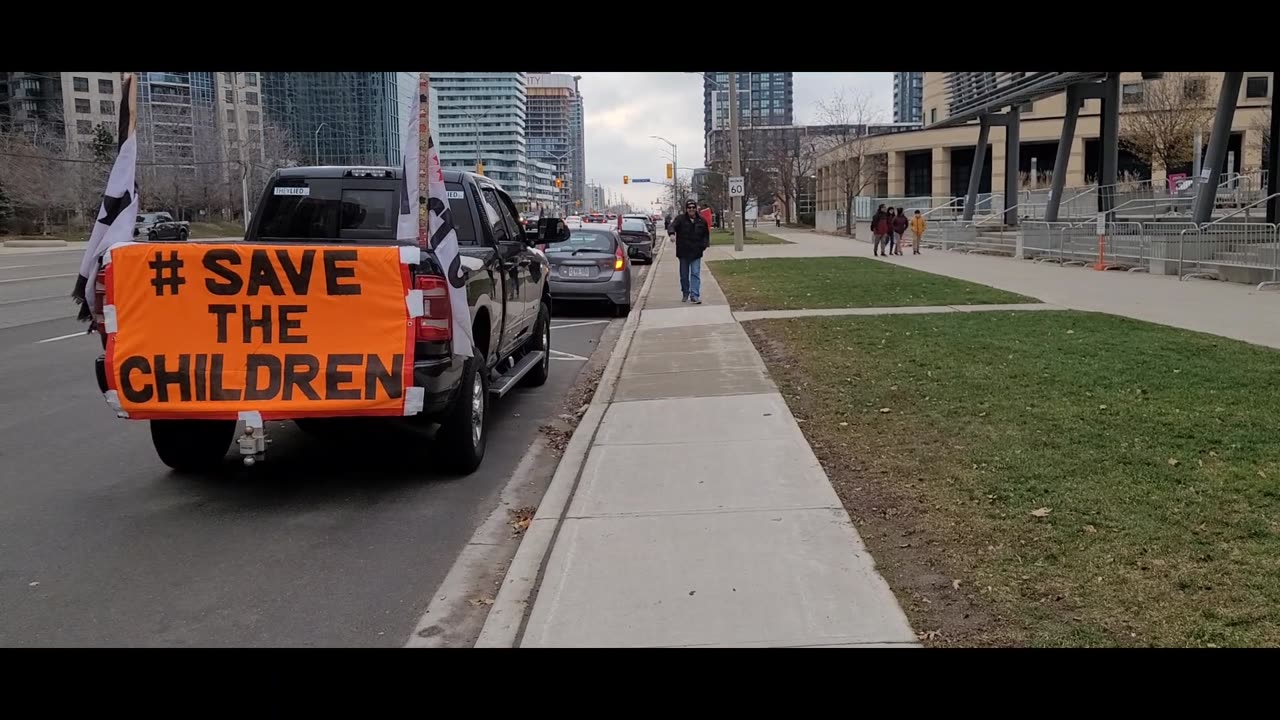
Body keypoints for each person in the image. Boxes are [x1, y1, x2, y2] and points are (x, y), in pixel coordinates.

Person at [670, 199, 710, 303]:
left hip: (696, 252)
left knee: (695, 273)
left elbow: (706, 235)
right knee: (684, 275)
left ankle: (694, 295)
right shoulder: (680, 219)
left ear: (696, 208)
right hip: (683, 252)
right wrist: (672, 234)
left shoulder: (701, 221)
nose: (691, 209)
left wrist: (704, 245)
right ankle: (685, 293)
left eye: (693, 207)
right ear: (686, 209)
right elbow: (672, 226)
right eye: (689, 208)